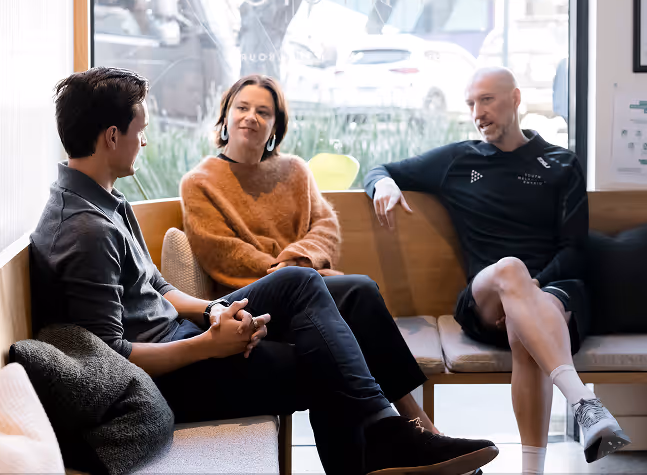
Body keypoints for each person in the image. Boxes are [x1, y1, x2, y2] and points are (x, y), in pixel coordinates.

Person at [30, 67, 498, 475]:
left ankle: (398, 432)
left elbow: (157, 284)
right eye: (140, 130)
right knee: (328, 359)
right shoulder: (85, 231)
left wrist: (212, 312)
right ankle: (389, 438)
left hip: (184, 335)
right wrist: (208, 345)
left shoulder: (107, 202)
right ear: (112, 137)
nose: (145, 141)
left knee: (336, 288)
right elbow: (113, 358)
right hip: (171, 375)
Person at [364, 67, 631, 475]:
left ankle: (531, 472)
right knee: (510, 269)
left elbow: (575, 249)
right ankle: (584, 402)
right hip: (486, 298)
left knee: (526, 327)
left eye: (486, 100)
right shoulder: (458, 160)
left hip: (554, 294)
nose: (477, 113)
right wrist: (382, 185)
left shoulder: (561, 163)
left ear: (516, 99)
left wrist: (530, 289)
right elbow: (380, 169)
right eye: (471, 104)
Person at [181, 74, 460, 447]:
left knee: (343, 319)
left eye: (263, 112)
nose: (251, 117)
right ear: (225, 117)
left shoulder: (295, 170)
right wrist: (286, 276)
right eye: (242, 108)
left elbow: (326, 227)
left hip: (309, 291)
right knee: (358, 292)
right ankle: (417, 426)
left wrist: (294, 262)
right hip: (250, 304)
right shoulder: (199, 182)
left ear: (276, 126)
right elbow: (222, 253)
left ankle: (400, 438)